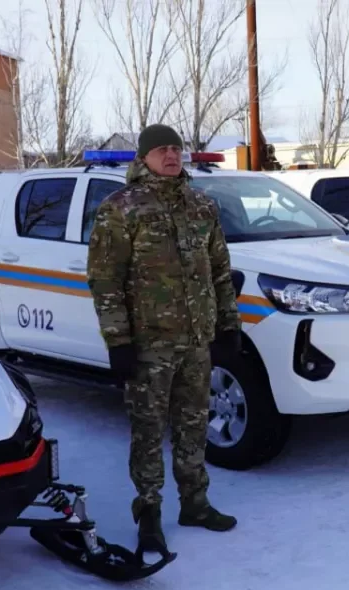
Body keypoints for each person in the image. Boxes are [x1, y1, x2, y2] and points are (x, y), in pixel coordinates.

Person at [87, 123, 240, 558]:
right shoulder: (121, 208)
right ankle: (149, 511)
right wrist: (118, 341)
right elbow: (105, 280)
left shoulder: (201, 205)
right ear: (144, 156)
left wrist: (228, 326)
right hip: (149, 343)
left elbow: (220, 271)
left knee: (194, 423)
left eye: (176, 148)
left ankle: (195, 503)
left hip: (196, 340)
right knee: (149, 430)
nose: (171, 156)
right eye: (162, 150)